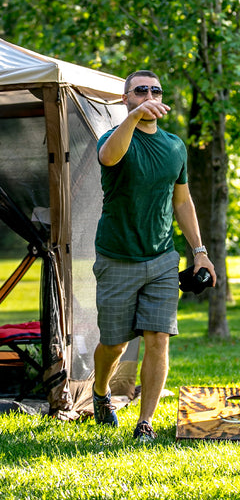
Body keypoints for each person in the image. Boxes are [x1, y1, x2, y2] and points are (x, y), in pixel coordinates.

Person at [92, 70, 216, 442]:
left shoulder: (175, 146)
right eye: (140, 90)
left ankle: (144, 422)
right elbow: (108, 157)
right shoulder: (114, 139)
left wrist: (200, 252)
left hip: (162, 258)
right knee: (114, 343)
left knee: (158, 338)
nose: (149, 94)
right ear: (125, 98)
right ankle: (101, 393)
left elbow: (182, 200)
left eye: (155, 90)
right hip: (116, 256)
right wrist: (133, 117)